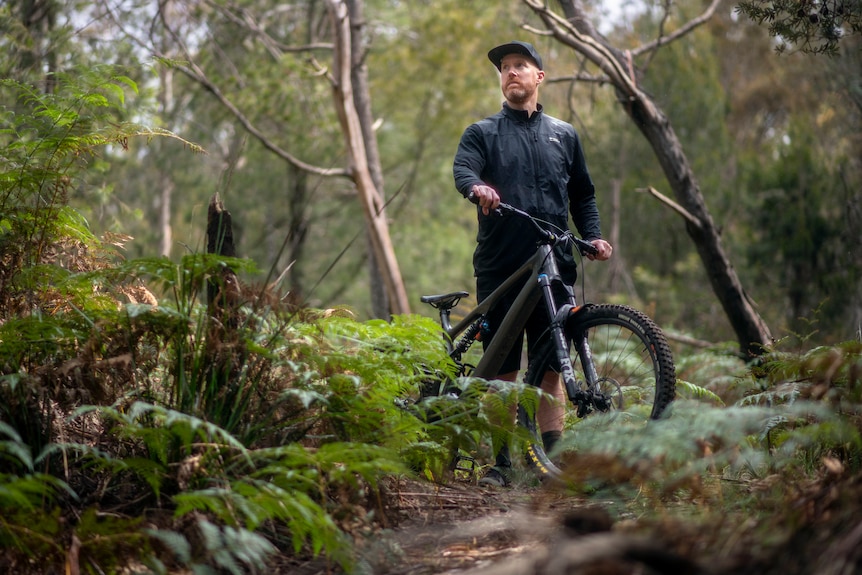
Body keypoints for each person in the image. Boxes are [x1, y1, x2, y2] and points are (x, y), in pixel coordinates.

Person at [453, 41, 613, 487]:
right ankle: (501, 464)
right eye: (504, 68)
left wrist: (593, 236)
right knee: (503, 370)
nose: (510, 73)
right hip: (501, 264)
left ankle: (550, 463)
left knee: (549, 368)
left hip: (556, 264)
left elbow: (583, 193)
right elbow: (463, 170)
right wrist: (478, 189)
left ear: (539, 76)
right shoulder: (481, 133)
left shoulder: (564, 134)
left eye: (520, 65)